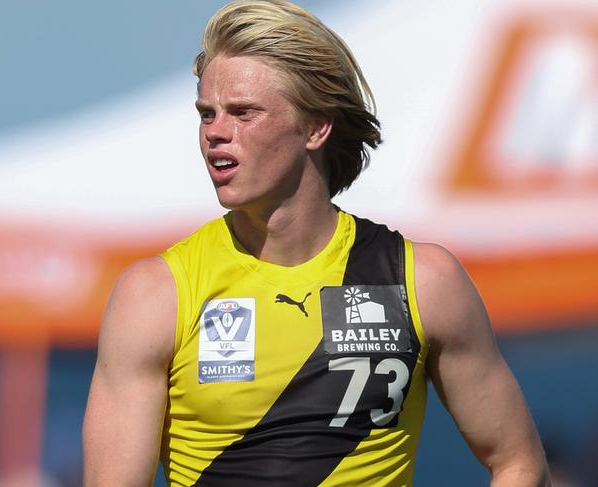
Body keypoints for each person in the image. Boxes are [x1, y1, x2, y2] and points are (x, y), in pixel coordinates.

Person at [82, 1, 551, 485]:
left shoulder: (421, 280)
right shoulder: (156, 294)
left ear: (315, 127)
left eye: (243, 113)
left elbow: (518, 463)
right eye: (207, 114)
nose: (216, 133)